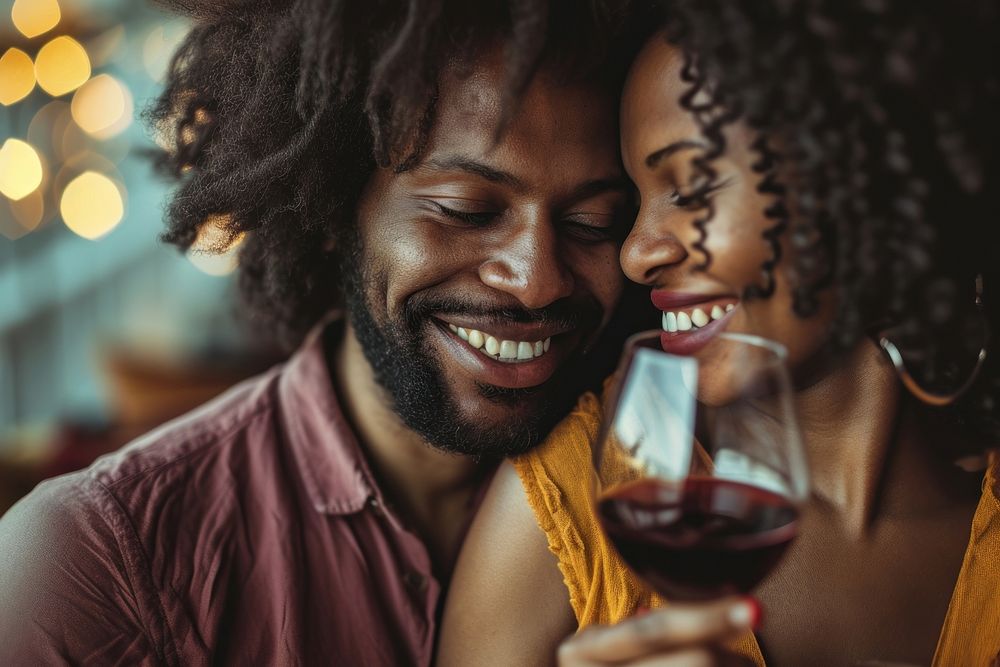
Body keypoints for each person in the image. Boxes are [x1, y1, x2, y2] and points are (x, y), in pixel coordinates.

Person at [0, 1, 637, 664]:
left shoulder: (661, 495)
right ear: (334, 205)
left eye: (594, 222)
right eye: (465, 211)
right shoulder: (97, 570)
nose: (536, 281)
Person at [438, 1, 1000, 665]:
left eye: (692, 188)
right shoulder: (575, 510)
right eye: (627, 207)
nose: (636, 253)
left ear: (863, 180)